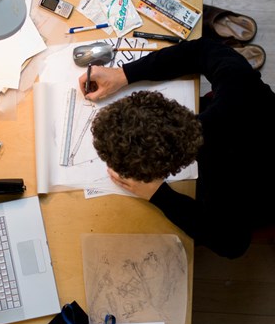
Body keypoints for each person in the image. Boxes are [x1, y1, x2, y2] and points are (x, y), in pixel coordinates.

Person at [78, 37, 275, 259]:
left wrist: (159, 195)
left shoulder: (222, 185)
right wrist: (126, 74)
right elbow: (204, 48)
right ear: (165, 103)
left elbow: (232, 243)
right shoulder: (238, 86)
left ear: (160, 173)